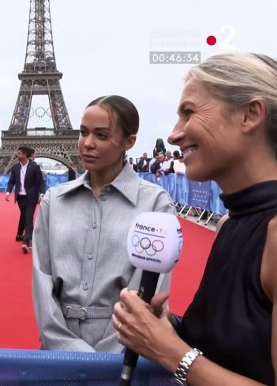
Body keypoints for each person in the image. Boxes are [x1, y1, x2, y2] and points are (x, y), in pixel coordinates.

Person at [113, 52, 277, 385]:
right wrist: (167, 326)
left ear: (250, 114)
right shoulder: (228, 225)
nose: (173, 135)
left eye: (188, 112)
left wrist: (169, 351)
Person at [32, 95, 176, 353]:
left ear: (129, 142)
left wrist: (103, 362)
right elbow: (42, 283)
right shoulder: (54, 202)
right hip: (56, 355)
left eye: (101, 135)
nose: (87, 143)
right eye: (83, 132)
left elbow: (146, 292)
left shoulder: (156, 204)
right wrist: (71, 352)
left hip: (124, 351)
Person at [5, 146, 45, 253]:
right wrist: (8, 192)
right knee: (25, 216)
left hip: (31, 196)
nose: (16, 155)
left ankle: (26, 242)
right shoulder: (15, 167)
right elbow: (11, 181)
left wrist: (42, 193)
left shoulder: (35, 167)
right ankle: (28, 237)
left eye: (19, 153)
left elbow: (40, 182)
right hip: (20, 197)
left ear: (24, 155)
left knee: (28, 218)